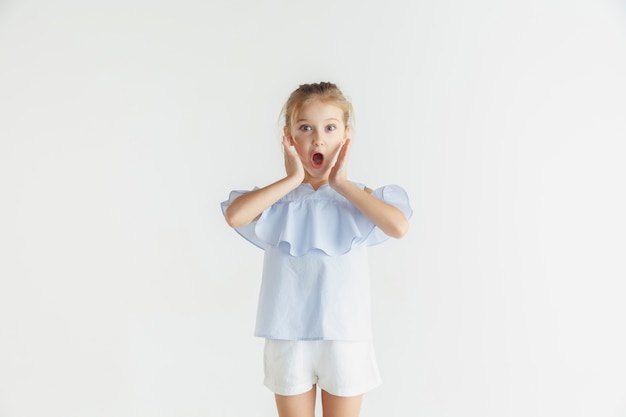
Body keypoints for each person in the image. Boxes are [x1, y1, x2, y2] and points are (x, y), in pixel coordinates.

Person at [221, 81, 412, 417]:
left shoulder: (356, 197)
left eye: (330, 128)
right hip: (287, 335)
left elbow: (398, 226)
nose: (318, 139)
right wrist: (292, 179)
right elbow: (236, 216)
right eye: (305, 128)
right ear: (290, 136)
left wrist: (341, 184)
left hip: (345, 335)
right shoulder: (280, 200)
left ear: (346, 137)